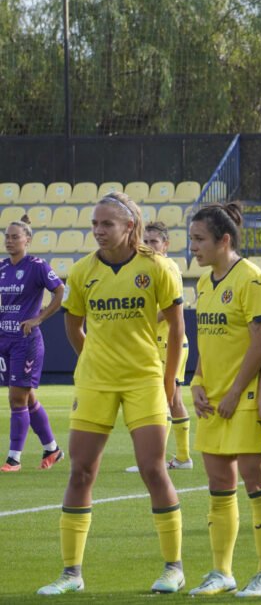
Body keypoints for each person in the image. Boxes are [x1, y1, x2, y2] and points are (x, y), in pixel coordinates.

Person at [38, 192, 186, 595]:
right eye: (94, 224)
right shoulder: (83, 271)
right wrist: (93, 361)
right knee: (81, 471)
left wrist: (169, 381)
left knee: (152, 469)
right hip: (95, 383)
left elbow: (177, 330)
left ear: (129, 227)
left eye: (107, 224)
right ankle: (71, 574)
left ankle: (174, 567)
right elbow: (73, 325)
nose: (98, 231)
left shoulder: (156, 268)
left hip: (143, 380)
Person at [186, 203, 261, 597]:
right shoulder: (204, 284)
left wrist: (238, 391)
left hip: (241, 399)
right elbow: (208, 343)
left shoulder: (254, 281)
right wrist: (196, 380)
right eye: (191, 239)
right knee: (219, 485)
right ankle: (221, 571)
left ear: (224, 240)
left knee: (256, 481)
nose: (193, 247)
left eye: (199, 239)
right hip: (213, 401)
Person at [0, 216, 65, 472]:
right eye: (7, 236)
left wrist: (39, 317)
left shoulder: (37, 266)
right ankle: (52, 448)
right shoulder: (3, 268)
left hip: (25, 342)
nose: (9, 240)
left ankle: (14, 458)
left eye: (15, 236)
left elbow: (60, 291)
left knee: (16, 399)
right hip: (4, 339)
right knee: (26, 399)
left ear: (28, 240)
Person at [126, 222, 192, 472]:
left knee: (162, 399)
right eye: (145, 241)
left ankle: (156, 462)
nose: (148, 246)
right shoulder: (147, 268)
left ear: (165, 245)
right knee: (174, 399)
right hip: (162, 343)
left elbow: (169, 311)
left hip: (168, 343)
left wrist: (141, 321)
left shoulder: (168, 268)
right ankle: (183, 458)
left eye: (154, 241)